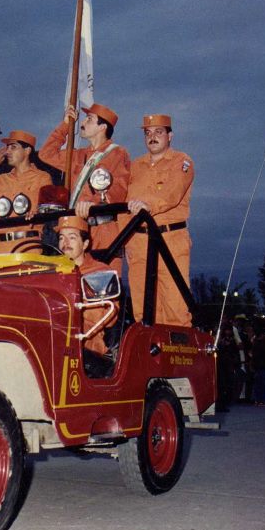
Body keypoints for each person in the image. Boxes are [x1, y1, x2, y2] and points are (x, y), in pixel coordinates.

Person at [40, 103, 130, 269]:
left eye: (89, 119)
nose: (84, 122)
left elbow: (119, 188)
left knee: (104, 283)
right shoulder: (78, 155)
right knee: (75, 280)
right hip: (77, 231)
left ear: (102, 127)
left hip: (102, 229)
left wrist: (94, 203)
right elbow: (46, 154)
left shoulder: (117, 153)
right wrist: (65, 125)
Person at [125, 114, 194, 327]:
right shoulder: (134, 167)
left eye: (158, 132)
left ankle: (178, 356)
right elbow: (122, 203)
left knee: (175, 307)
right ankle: (148, 357)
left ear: (170, 136)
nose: (152, 137)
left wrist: (149, 205)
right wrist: (124, 239)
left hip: (170, 240)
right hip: (138, 244)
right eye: (148, 133)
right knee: (142, 309)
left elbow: (173, 192)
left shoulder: (182, 162)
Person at [0, 130, 53, 253]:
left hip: (29, 245)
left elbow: (48, 209)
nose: (7, 152)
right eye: (7, 148)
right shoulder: (1, 179)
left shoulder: (42, 178)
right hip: (2, 247)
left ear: (27, 151)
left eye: (13, 147)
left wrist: (37, 214)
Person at [56, 215, 118, 356]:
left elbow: (109, 316)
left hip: (87, 341)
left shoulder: (100, 271)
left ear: (85, 244)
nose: (65, 243)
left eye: (72, 238)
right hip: (58, 332)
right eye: (61, 238)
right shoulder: (53, 271)